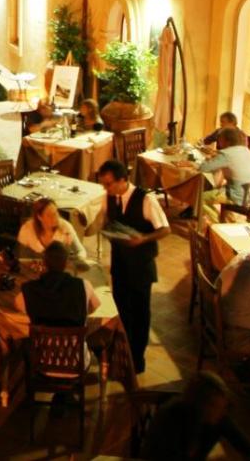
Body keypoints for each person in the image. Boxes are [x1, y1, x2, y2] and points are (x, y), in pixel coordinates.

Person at [96, 159, 171, 373]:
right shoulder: (108, 198)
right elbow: (106, 222)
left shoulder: (146, 199)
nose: (106, 189)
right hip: (120, 264)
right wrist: (108, 231)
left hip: (141, 266)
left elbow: (165, 229)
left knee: (140, 314)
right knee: (121, 310)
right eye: (104, 184)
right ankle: (122, 354)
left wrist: (143, 239)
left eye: (109, 184)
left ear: (122, 180)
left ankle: (137, 359)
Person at [143, 371, 250, 461]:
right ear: (200, 404)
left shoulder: (219, 417)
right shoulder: (170, 418)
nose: (221, 411)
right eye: (214, 405)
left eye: (223, 406)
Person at [14, 242, 100, 326]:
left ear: (44, 263)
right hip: (76, 336)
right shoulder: (84, 285)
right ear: (66, 263)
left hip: (42, 336)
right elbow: (95, 305)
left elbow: (18, 305)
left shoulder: (29, 288)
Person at [197, 127, 250, 217]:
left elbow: (203, 168)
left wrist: (209, 158)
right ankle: (225, 219)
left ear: (227, 141)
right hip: (248, 195)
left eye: (220, 140)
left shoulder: (227, 154)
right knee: (217, 190)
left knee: (200, 198)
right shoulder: (246, 151)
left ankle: (216, 222)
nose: (219, 143)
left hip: (235, 196)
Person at [17, 198, 88, 261]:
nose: (55, 217)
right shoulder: (27, 229)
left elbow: (81, 251)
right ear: (39, 217)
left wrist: (78, 259)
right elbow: (22, 258)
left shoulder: (65, 227)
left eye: (55, 213)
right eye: (49, 215)